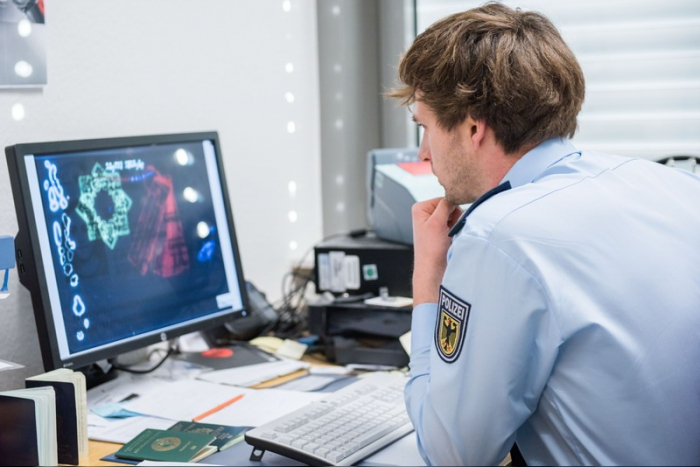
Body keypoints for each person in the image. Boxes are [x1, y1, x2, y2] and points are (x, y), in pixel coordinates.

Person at [387, 2, 700, 465]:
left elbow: (452, 454)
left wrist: (427, 280)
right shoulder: (670, 183)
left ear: (473, 126)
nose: (424, 152)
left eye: (426, 127)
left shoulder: (500, 235)